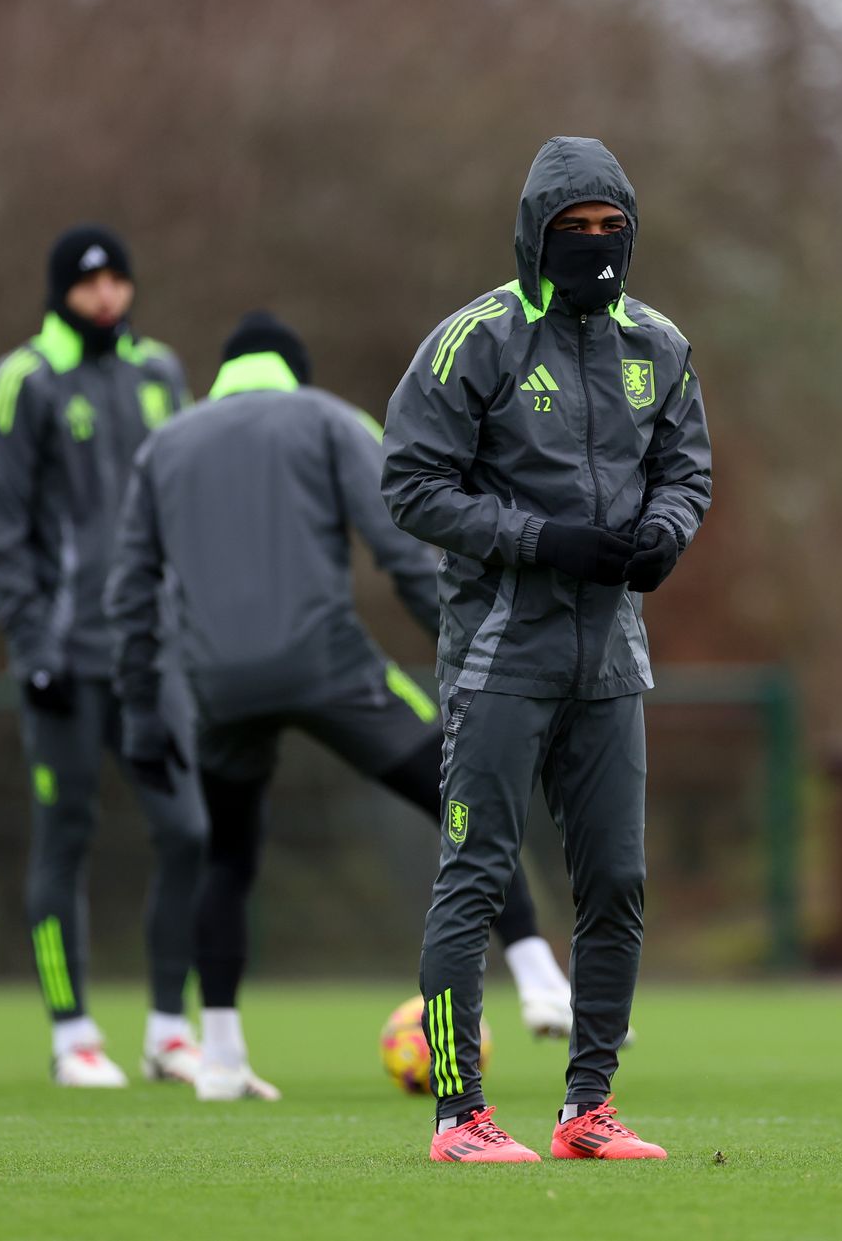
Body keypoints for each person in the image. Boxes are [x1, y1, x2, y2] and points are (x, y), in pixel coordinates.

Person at [106, 312, 576, 1100]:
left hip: (217, 687)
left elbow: (130, 592)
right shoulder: (326, 419)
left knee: (227, 857)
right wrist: (470, 646)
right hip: (330, 671)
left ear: (223, 374)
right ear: (295, 368)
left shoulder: (164, 446)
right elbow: (400, 547)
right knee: (461, 791)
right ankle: (538, 976)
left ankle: (219, 1055)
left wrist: (143, 712)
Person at [383, 136, 710, 1163]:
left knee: (616, 879)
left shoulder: (660, 344)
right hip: (497, 654)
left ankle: (588, 1107)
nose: (598, 247)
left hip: (611, 658)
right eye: (576, 230)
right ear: (535, 234)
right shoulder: (472, 341)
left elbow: (686, 468)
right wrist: (537, 539)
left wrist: (666, 531)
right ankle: (458, 1114)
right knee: (475, 872)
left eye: (614, 229)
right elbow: (412, 484)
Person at [0, 225, 207, 1088]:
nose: (106, 296)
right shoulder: (22, 381)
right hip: (64, 659)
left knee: (189, 832)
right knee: (63, 839)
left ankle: (168, 1029)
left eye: (117, 281)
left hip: (153, 656)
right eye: (89, 283)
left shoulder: (161, 374)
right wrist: (32, 644)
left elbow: (183, 507)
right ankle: (73, 1035)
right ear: (63, 290)